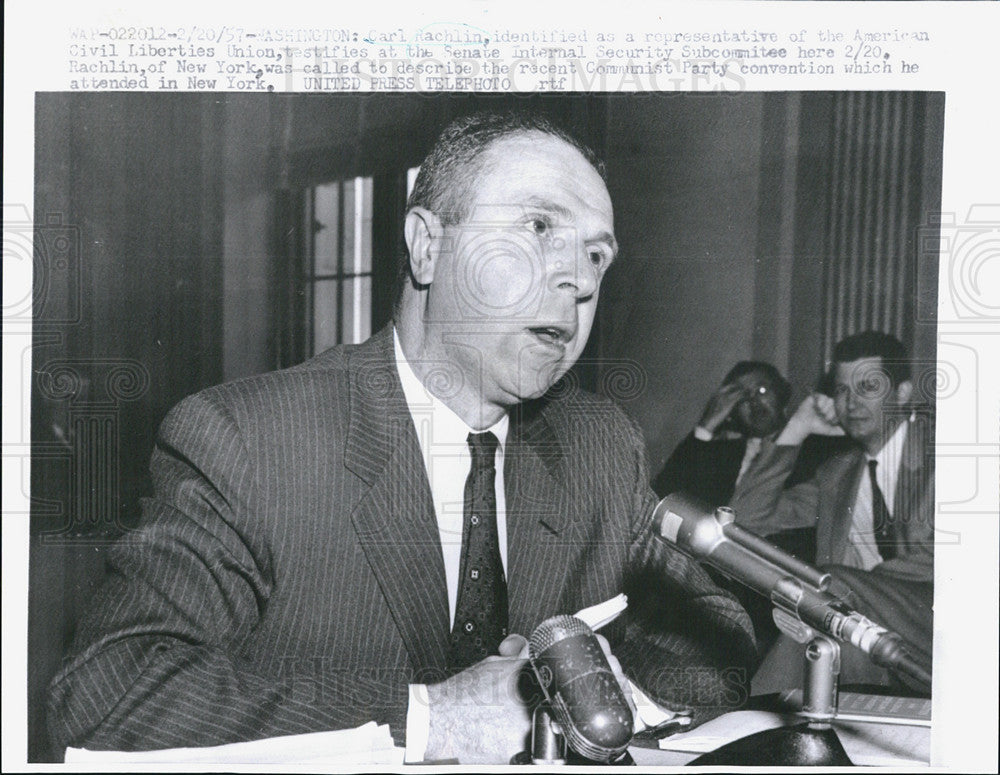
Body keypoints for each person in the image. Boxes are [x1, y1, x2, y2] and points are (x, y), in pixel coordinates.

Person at [47, 111, 756, 764]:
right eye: (538, 227)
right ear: (426, 245)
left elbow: (719, 633)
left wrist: (596, 690)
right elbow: (106, 694)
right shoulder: (247, 440)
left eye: (597, 255)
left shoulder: (599, 443)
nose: (575, 277)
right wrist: (430, 717)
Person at [730, 331, 934, 694]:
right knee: (827, 635)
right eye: (842, 391)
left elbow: (949, 562)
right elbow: (748, 517)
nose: (851, 402)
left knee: (827, 597)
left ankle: (749, 719)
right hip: (868, 634)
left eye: (868, 386)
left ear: (902, 394)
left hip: (937, 623)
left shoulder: (942, 454)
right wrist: (798, 426)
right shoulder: (838, 473)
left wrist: (843, 588)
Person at [652, 361, 792, 505]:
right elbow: (664, 497)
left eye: (761, 390)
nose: (753, 401)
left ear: (781, 393)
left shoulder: (804, 449)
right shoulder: (724, 454)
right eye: (742, 396)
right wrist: (706, 426)